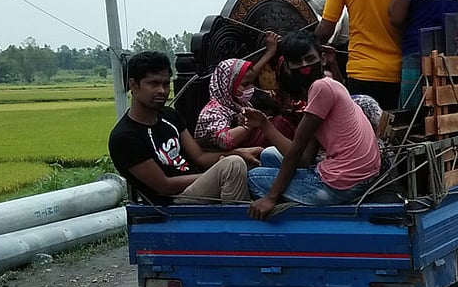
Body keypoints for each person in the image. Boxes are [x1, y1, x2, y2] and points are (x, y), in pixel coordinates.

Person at [108, 51, 261, 205]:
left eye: (166, 84)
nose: (162, 90)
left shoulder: (170, 116)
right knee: (233, 165)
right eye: (153, 84)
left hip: (196, 184)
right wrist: (217, 172)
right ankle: (236, 224)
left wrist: (238, 152)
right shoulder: (125, 137)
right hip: (172, 201)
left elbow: (199, 157)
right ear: (133, 85)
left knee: (261, 156)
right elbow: (164, 186)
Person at [247, 75, 383, 217]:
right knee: (268, 154)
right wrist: (264, 124)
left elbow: (296, 154)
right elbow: (305, 160)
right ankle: (293, 196)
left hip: (342, 184)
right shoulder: (332, 92)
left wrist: (270, 198)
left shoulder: (322, 89)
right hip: (357, 176)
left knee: (253, 177)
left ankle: (290, 212)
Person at [194, 32, 292, 152]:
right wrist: (250, 125)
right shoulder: (212, 111)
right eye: (245, 85)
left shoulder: (240, 104)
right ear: (227, 86)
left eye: (251, 83)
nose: (251, 88)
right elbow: (226, 141)